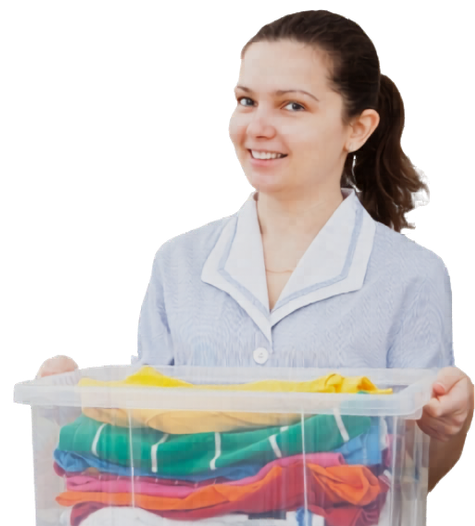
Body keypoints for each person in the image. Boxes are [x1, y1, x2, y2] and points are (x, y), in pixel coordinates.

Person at [36, 11, 473, 499]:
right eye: (246, 101)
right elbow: (144, 443)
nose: (258, 127)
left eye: (292, 106)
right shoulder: (179, 262)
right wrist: (75, 406)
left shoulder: (410, 274)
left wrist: (453, 418)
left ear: (357, 128)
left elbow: (414, 473)